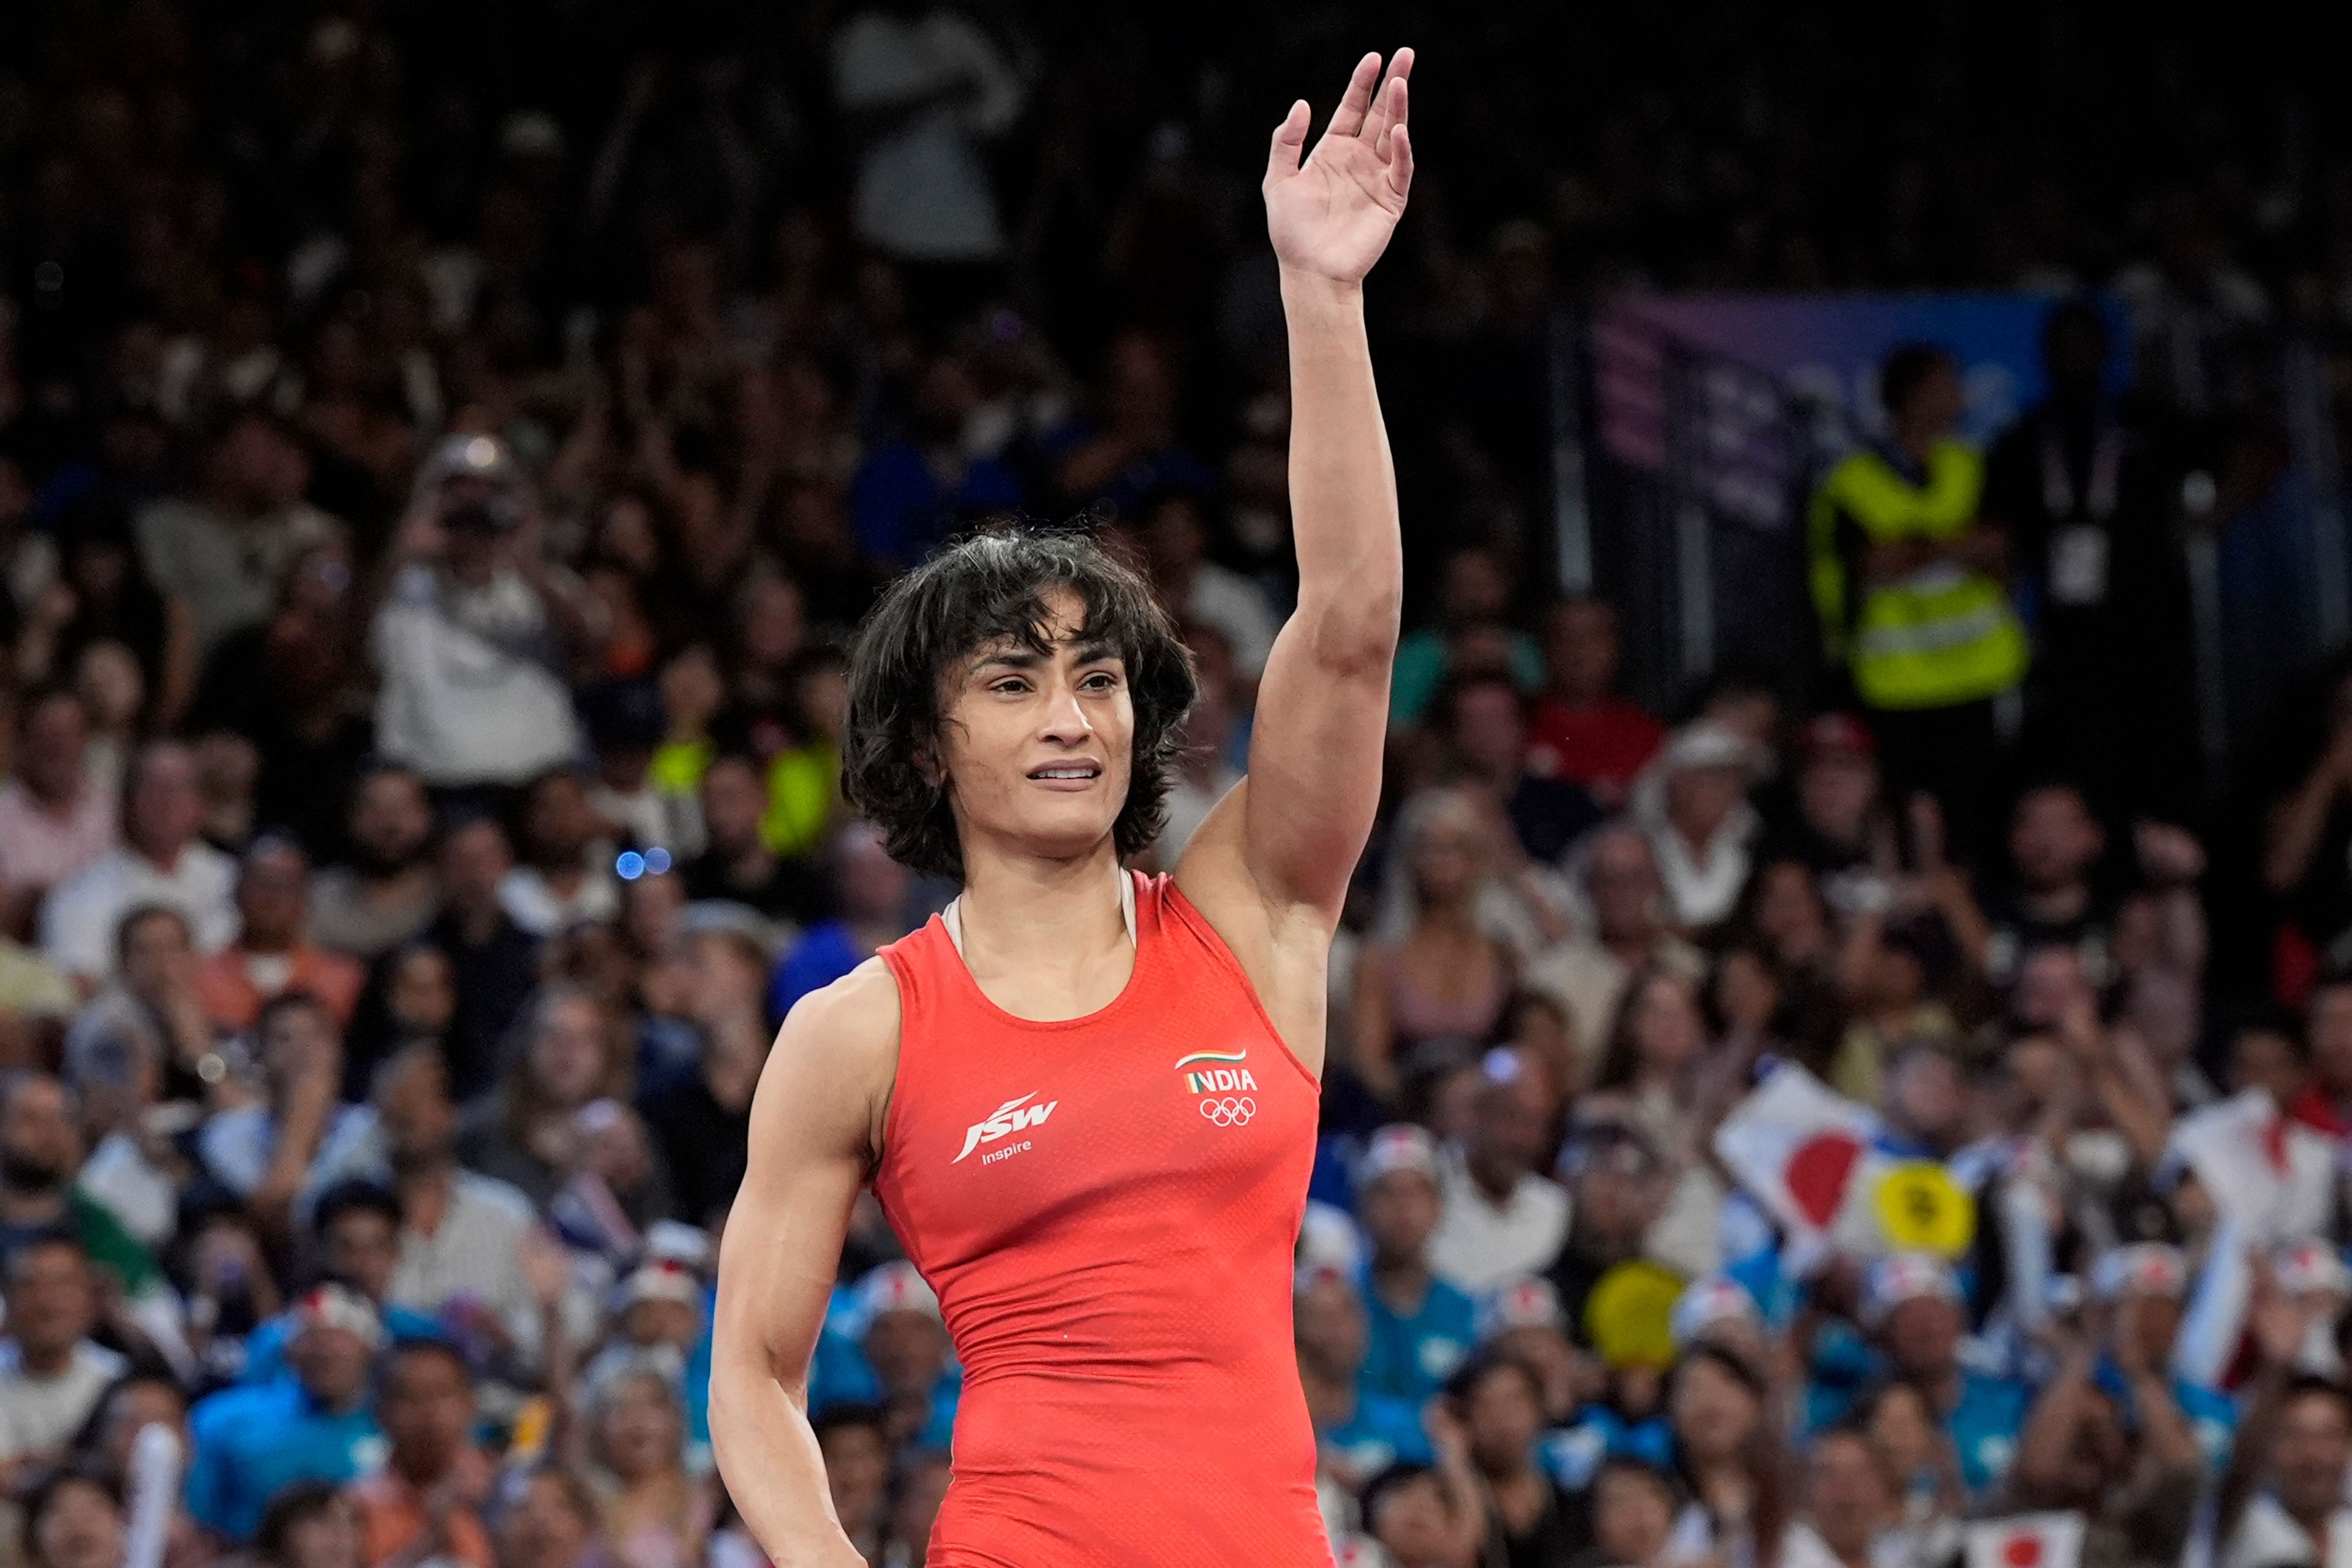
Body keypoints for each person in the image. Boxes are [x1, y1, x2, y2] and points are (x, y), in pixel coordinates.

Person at [710, 50, 1416, 1565]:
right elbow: (752, 1371)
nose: (1071, 714)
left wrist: (1324, 299)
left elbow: (1350, 619)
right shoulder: (859, 1029)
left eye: (1097, 675)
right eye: (1015, 681)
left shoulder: (1249, 911)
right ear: (922, 744)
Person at [1807, 342, 2027, 868]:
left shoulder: (1974, 466)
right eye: (1945, 383)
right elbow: (1873, 564)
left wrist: (1917, 547)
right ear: (1910, 397)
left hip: (1976, 676)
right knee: (1899, 819)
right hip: (1895, 683)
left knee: (1975, 819)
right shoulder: (1852, 482)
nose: (1960, 396)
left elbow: (2000, 550)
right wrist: (1957, 543)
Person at [1984, 299, 2197, 824]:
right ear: (2047, 357)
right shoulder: (2025, 437)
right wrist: (2010, 606)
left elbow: (2260, 449)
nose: (2073, 357)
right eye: (2062, 347)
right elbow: (1996, 537)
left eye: (2084, 344)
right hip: (2068, 639)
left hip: (2150, 630)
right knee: (2081, 763)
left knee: (2159, 761)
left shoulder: (2144, 420)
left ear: (2106, 351)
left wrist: (2205, 523)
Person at [370, 433, 600, 793]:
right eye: (459, 495)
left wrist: (527, 562)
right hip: (435, 783)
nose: (473, 512)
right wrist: (403, 550)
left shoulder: (541, 586)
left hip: (537, 780)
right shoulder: (403, 589)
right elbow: (348, 647)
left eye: (488, 494)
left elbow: (593, 648)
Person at [184, 1283, 386, 1540]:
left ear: (369, 1350)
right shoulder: (223, 1418)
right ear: (290, 1350)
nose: (324, 1350)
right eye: (312, 1337)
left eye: (339, 1338)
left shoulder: (395, 1421)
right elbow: (196, 1522)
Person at [40, 741, 239, 987]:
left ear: (202, 804)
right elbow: (79, 987)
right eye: (154, 787)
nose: (168, 800)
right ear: (127, 802)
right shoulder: (78, 895)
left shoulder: (236, 882)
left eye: (179, 787)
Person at [195, 834, 366, 1031]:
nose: (273, 896)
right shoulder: (199, 977)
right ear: (236, 892)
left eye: (287, 884)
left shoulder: (345, 980)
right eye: (261, 882)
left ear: (306, 898)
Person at [351, 1338, 496, 1568]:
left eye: (442, 1393)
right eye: (410, 1397)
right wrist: (430, 1539)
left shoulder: (505, 1493)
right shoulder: (357, 1506)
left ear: (470, 1404)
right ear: (380, 1412)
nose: (429, 1411)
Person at [0, 1233, 127, 1488]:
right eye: (30, 1285)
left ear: (90, 1298)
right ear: (9, 1299)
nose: (47, 1302)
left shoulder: (119, 1380)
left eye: (63, 1284)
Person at [1526, 596, 1665, 810]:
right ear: (1545, 649)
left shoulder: (1647, 732)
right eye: (1566, 637)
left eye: (1594, 636)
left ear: (1616, 648)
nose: (1580, 650)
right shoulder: (1519, 726)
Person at [0, 687, 116, 932]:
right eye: (47, 733)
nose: (58, 746)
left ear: (87, 739)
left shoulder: (114, 809)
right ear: (22, 740)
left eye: (69, 734)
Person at [306, 764, 442, 963]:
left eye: (403, 808)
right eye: (376, 809)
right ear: (352, 818)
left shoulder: (448, 899)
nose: (390, 824)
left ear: (427, 816)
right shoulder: (316, 901)